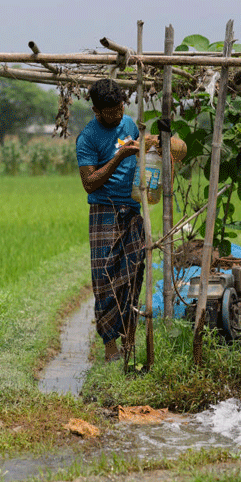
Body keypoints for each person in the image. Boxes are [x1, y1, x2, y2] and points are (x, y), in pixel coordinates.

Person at [76, 78, 145, 362]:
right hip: (104, 210)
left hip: (132, 208)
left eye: (119, 108)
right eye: (110, 111)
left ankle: (130, 340)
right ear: (96, 110)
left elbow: (143, 151)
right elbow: (89, 183)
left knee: (133, 273)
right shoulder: (88, 138)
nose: (117, 115)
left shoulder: (129, 124)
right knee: (105, 277)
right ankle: (110, 348)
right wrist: (118, 157)